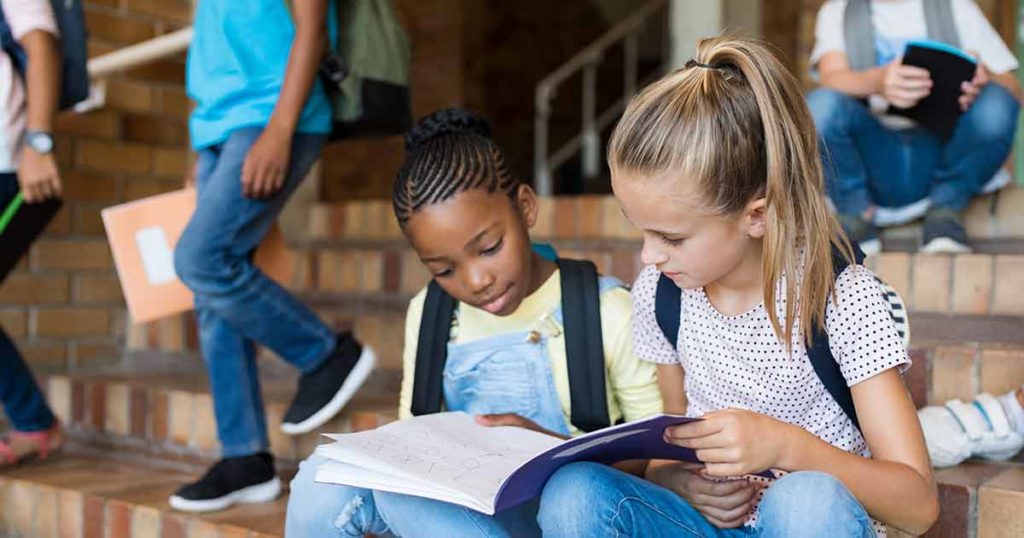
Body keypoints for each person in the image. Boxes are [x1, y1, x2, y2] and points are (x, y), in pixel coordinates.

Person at [536, 37, 939, 537]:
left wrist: (788, 448)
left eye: (672, 237)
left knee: (804, 501)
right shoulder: (660, 293)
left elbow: (919, 505)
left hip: (809, 523)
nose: (649, 255)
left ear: (757, 215)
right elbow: (670, 440)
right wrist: (677, 479)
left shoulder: (843, 299)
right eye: (639, 229)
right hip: (707, 525)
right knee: (573, 494)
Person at [284, 108, 663, 537]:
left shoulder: (602, 309)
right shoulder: (430, 313)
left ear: (525, 207)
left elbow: (651, 463)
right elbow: (414, 437)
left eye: (488, 247)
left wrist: (547, 450)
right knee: (324, 476)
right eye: (444, 270)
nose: (476, 280)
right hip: (468, 520)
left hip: (573, 515)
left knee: (568, 496)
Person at [169, 0, 375, 512]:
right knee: (211, 291)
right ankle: (245, 459)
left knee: (201, 259)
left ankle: (326, 353)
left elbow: (311, 26)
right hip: (221, 128)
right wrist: (201, 150)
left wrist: (280, 129)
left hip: (270, 117)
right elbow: (218, 49)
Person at [806, 0, 1021, 254]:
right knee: (817, 106)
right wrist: (879, 81)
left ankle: (946, 209)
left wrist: (985, 76)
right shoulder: (839, 10)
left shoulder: (956, 7)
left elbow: (1013, 89)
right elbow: (831, 79)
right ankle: (856, 214)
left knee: (995, 102)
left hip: (941, 156)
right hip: (874, 160)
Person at [0, 0, 64, 467]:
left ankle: (35, 422)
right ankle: (34, 420)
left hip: (7, 164)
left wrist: (38, 143)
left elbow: (40, 42)